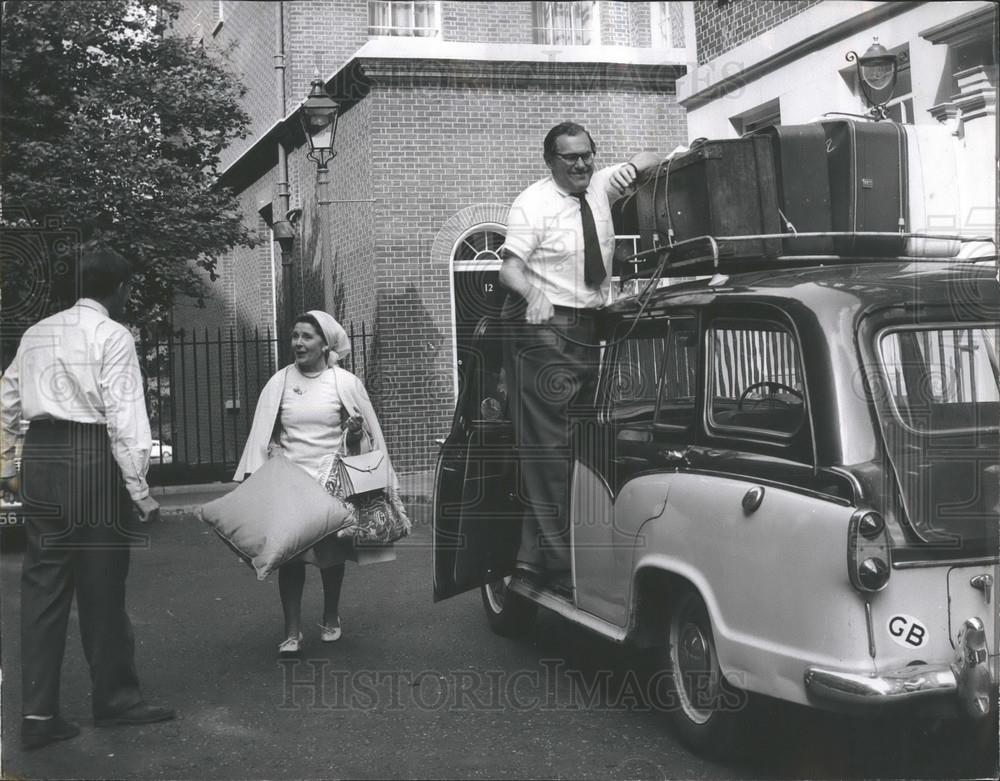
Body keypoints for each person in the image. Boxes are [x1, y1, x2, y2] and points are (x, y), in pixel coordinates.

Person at [0, 243, 175, 751]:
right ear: (119, 288)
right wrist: (139, 489)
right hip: (89, 456)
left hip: (43, 456)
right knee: (102, 583)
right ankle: (116, 699)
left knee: (43, 584)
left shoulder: (37, 333)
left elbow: (6, 399)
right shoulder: (113, 334)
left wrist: (8, 464)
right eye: (128, 288)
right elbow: (125, 417)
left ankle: (37, 713)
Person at [498, 121, 662, 590]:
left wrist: (636, 165)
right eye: (569, 157)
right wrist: (534, 297)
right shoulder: (532, 204)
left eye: (587, 154)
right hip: (546, 327)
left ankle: (532, 554)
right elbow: (509, 270)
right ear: (550, 161)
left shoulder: (600, 186)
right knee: (550, 450)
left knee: (585, 444)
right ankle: (561, 564)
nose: (581, 164)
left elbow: (651, 156)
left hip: (591, 326)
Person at [233, 310, 399, 658]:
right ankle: (291, 632)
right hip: (291, 483)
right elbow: (263, 434)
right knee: (289, 558)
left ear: (325, 344)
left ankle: (330, 615)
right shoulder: (279, 382)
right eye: (294, 336)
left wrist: (354, 433)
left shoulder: (344, 382)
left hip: (331, 484)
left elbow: (366, 437)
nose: (297, 343)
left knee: (330, 557)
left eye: (306, 336)